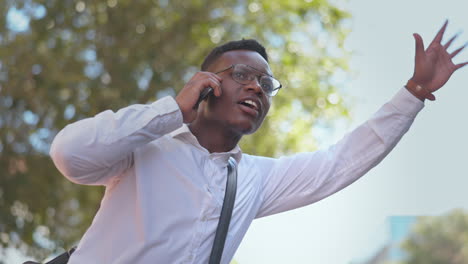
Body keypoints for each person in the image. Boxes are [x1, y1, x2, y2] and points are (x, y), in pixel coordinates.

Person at [50, 21, 467, 263]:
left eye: (266, 84)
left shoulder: (255, 179)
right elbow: (70, 154)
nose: (257, 89)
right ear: (206, 84)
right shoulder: (145, 148)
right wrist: (174, 111)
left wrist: (413, 91)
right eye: (242, 76)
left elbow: (341, 162)